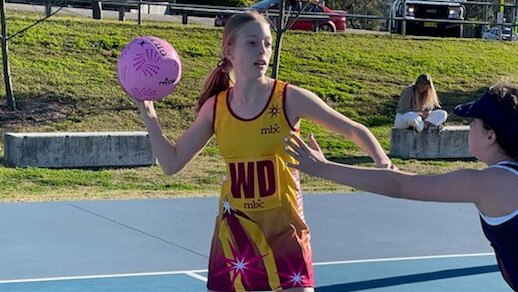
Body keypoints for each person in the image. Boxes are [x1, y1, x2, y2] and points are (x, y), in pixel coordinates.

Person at [135, 11, 393, 292]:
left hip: (286, 234)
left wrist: (383, 162)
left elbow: (354, 129)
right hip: (236, 238)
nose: (263, 50)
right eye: (252, 43)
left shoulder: (289, 98)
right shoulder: (216, 108)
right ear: (228, 50)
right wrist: (150, 115)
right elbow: (171, 163)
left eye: (268, 43)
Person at [284, 84, 518, 290]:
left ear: (490, 136)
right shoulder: (500, 179)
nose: (470, 127)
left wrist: (322, 168)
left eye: (473, 122)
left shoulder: (486, 183)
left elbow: (399, 186)